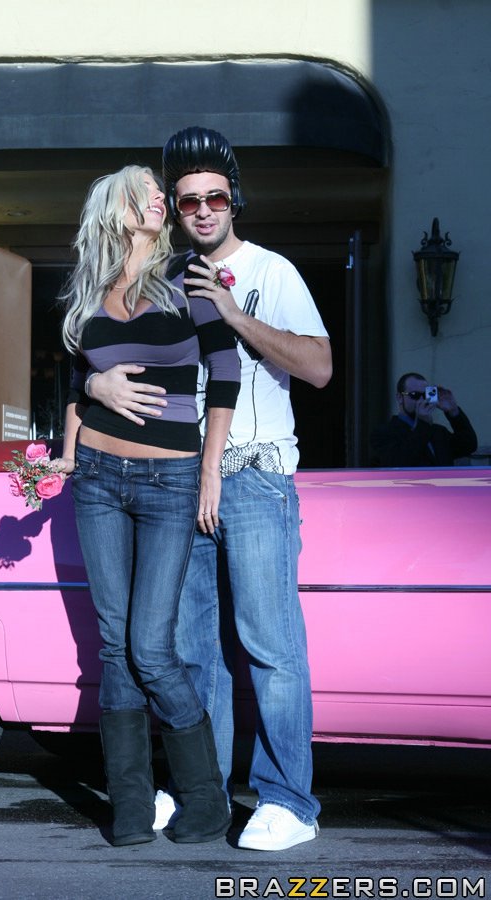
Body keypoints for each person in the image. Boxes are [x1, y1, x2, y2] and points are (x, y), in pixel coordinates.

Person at [87, 128, 333, 852]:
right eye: (187, 199)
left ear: (234, 201)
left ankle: (289, 801)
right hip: (181, 478)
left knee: (268, 645)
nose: (201, 210)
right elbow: (107, 351)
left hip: (254, 475)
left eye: (214, 198)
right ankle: (208, 792)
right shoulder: (163, 277)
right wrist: (94, 386)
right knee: (193, 650)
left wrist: (233, 314)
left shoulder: (271, 271)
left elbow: (319, 368)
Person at [53, 165, 240, 847]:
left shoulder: (190, 277)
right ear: (116, 208)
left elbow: (226, 372)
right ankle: (129, 805)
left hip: (170, 480)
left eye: (161, 192)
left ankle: (206, 799)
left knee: (151, 648)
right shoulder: (88, 289)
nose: (161, 198)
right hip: (98, 478)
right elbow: (76, 382)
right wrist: (82, 415)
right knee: (113, 645)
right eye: (146, 191)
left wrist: (210, 470)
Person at [370, 372, 477, 466]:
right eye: (414, 395)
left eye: (425, 395)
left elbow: (469, 445)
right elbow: (400, 462)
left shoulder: (438, 432)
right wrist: (423, 424)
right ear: (399, 397)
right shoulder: (384, 433)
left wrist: (453, 411)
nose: (421, 400)